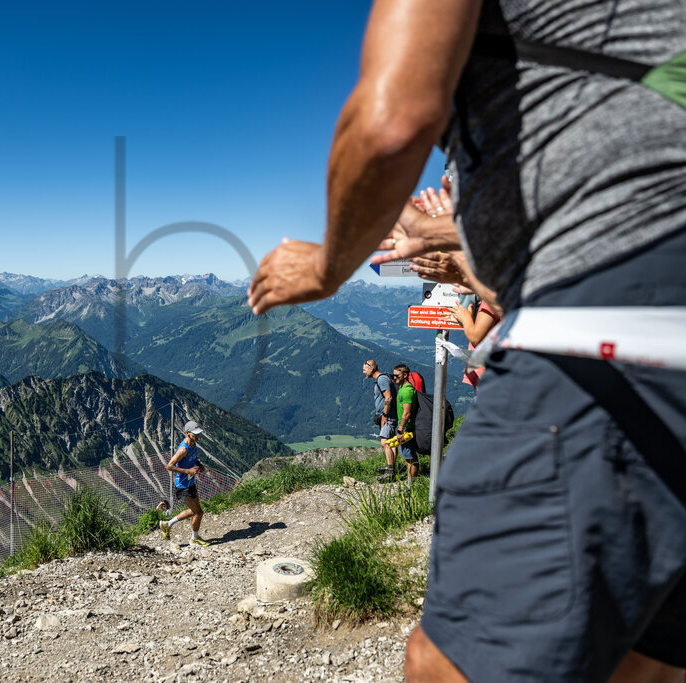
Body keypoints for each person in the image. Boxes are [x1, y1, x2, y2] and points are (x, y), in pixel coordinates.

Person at [247, 1, 686, 680]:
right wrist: (457, 247)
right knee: (640, 660)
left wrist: (327, 264)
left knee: (446, 665)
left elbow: (391, 120)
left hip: (604, 333)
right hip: (649, 332)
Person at [158, 420, 210, 547]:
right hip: (183, 486)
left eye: (199, 433)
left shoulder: (193, 443)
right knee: (199, 512)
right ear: (187, 433)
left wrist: (199, 465)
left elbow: (194, 458)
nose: (198, 436)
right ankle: (194, 539)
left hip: (190, 482)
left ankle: (167, 524)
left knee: (194, 511)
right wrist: (188, 470)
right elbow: (169, 466)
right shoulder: (183, 449)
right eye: (195, 434)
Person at [362, 360, 399, 479]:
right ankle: (392, 467)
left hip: (388, 416)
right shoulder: (381, 379)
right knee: (392, 442)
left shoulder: (381, 379)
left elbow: (388, 397)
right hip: (389, 415)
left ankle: (390, 471)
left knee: (385, 442)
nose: (363, 372)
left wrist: (384, 414)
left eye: (364, 369)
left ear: (371, 368)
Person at [392, 365, 419, 488]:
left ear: (405, 375)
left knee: (410, 457)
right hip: (405, 427)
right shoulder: (403, 388)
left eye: (397, 376)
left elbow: (407, 412)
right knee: (408, 456)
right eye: (394, 375)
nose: (394, 378)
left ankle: (410, 487)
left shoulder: (407, 390)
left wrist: (400, 430)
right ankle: (411, 484)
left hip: (406, 428)